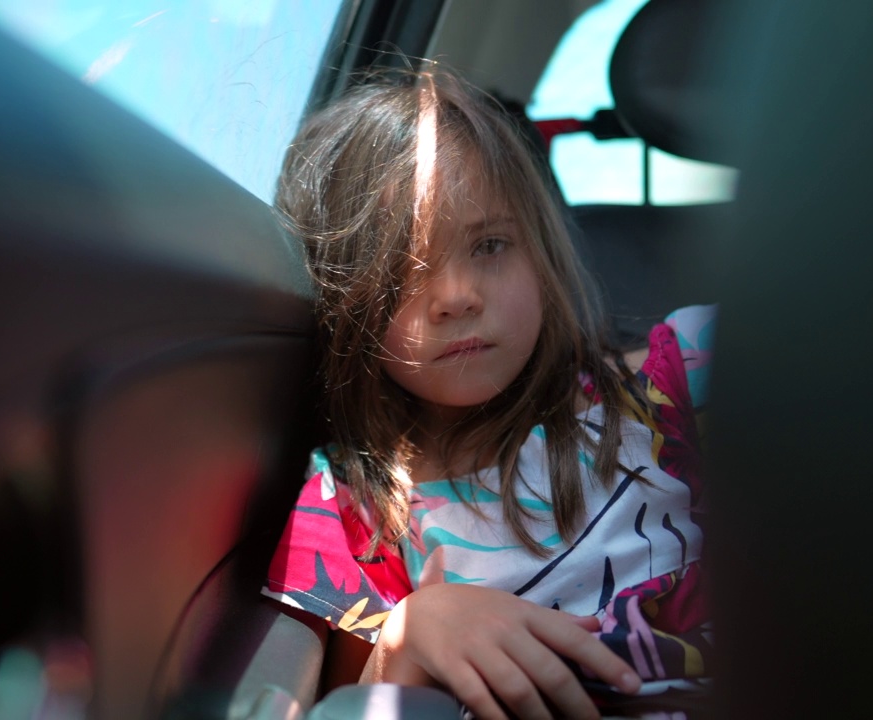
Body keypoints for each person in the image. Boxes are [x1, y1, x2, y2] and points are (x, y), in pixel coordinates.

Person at [262, 67, 714, 720]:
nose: (456, 297)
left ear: (542, 252)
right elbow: (349, 706)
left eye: (489, 245)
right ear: (344, 299)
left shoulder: (666, 391)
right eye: (404, 268)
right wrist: (408, 634)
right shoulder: (354, 514)